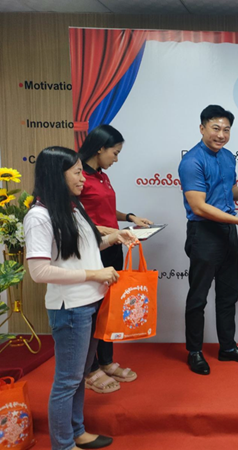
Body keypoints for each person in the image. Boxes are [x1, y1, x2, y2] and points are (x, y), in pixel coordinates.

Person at [24, 146, 137, 450]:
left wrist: (114, 237)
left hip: (90, 302)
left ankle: (77, 432)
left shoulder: (71, 207)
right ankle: (63, 444)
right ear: (56, 175)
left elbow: (84, 248)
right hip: (70, 307)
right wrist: (94, 274)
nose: (83, 179)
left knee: (79, 376)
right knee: (67, 381)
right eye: (76, 172)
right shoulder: (39, 216)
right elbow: (39, 271)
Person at [178, 104, 238, 375]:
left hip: (228, 232)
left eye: (226, 130)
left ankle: (227, 347)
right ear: (202, 128)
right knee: (198, 297)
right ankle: (194, 351)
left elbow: (228, 191)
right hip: (204, 232)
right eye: (215, 128)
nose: (221, 135)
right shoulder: (191, 161)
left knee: (229, 294)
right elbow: (199, 206)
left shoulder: (228, 156)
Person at [78, 125, 153, 394]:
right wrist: (112, 232)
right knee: (93, 309)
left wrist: (130, 218)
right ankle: (90, 368)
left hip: (112, 246)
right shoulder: (78, 176)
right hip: (92, 249)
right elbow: (78, 219)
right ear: (100, 148)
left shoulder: (102, 175)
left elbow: (106, 209)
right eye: (115, 152)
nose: (116, 159)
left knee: (110, 306)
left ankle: (106, 361)